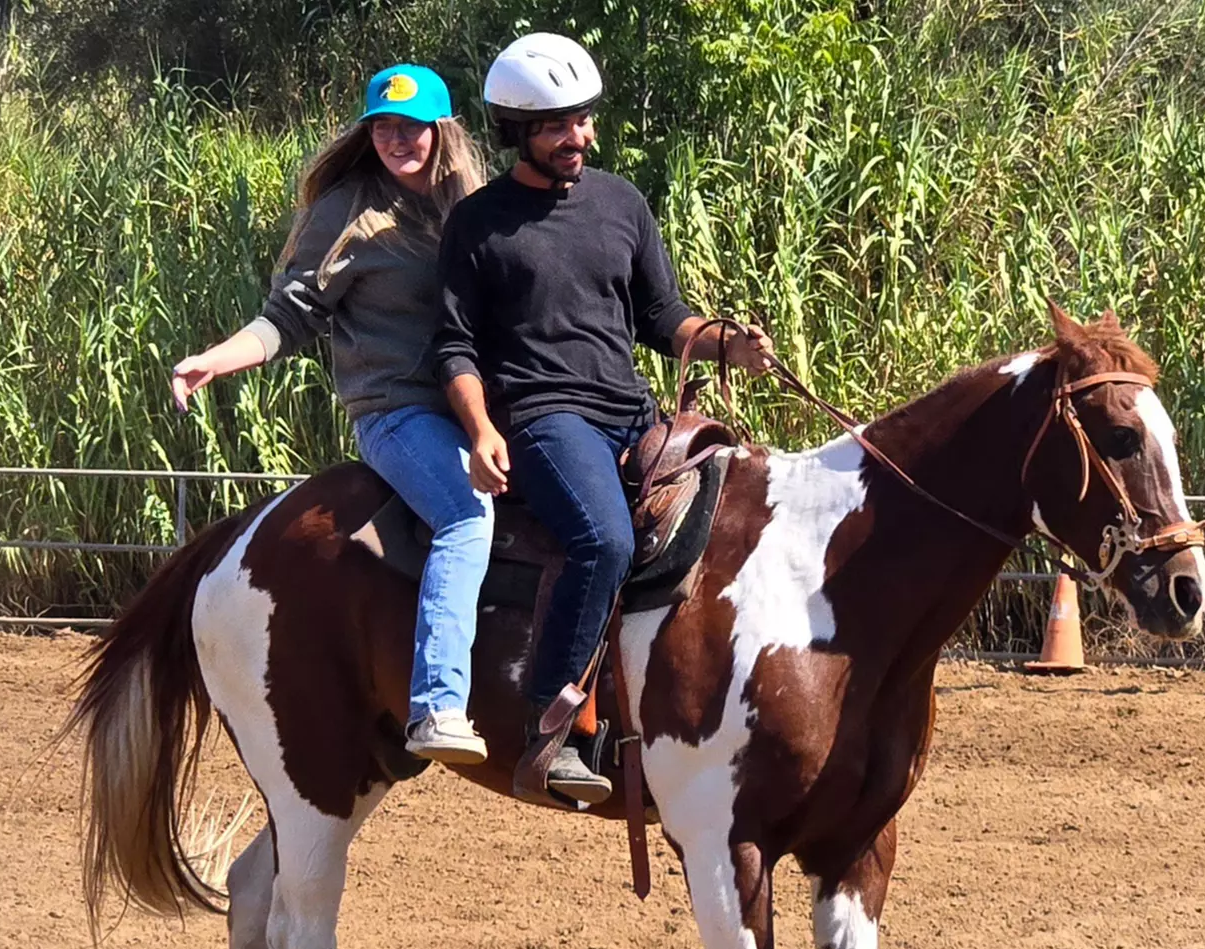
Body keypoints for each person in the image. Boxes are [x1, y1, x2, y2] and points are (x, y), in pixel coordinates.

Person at [433, 32, 775, 805]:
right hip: (545, 417)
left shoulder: (620, 201)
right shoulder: (478, 224)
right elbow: (451, 346)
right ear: (515, 130)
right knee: (603, 537)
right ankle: (552, 727)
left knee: (739, 503)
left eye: (583, 121)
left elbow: (664, 317)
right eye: (557, 126)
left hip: (631, 411)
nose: (577, 138)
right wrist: (483, 430)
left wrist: (726, 346)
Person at [169, 64, 496, 765]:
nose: (395, 139)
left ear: (443, 131)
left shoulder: (475, 206)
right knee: (467, 513)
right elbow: (287, 318)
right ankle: (438, 700)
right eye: (382, 127)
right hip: (399, 413)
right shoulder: (347, 213)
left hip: (481, 406)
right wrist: (214, 360)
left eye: (410, 127)